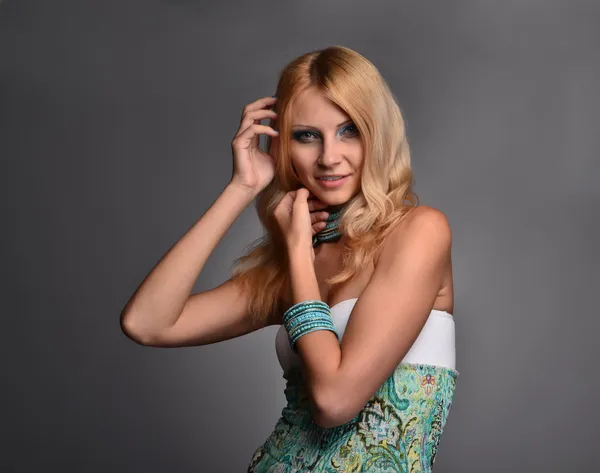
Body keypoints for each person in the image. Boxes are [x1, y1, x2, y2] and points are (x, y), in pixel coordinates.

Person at [120, 45, 458, 472]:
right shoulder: (291, 268)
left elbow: (334, 401)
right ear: (284, 146)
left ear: (378, 132)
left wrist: (298, 252)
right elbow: (147, 323)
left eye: (349, 129)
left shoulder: (419, 232)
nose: (329, 157)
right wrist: (242, 188)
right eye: (306, 135)